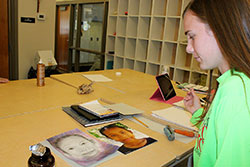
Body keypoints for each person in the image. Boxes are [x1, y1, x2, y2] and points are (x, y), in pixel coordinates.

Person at [182, 0, 250, 166]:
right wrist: (198, 113)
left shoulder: (236, 90)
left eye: (192, 36)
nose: (188, 48)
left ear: (219, 29)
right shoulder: (231, 80)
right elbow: (217, 135)